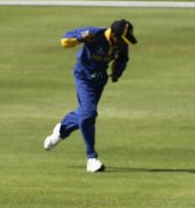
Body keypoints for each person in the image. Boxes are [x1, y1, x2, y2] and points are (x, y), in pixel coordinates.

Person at [43, 19, 137, 172]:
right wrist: (81, 39)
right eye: (121, 39)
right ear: (113, 34)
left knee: (85, 114)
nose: (123, 43)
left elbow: (123, 58)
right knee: (89, 113)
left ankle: (62, 130)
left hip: (99, 80)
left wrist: (118, 71)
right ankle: (91, 158)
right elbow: (64, 41)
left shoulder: (121, 43)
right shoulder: (95, 34)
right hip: (84, 77)